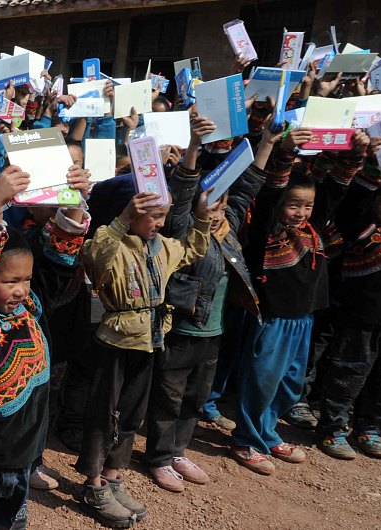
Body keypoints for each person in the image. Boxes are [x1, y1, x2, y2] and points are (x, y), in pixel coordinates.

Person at [0, 166, 90, 530]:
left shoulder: (32, 307)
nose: (20, 289)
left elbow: (59, 262)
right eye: (9, 281)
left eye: (25, 280)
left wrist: (74, 200)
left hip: (25, 455)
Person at [74, 189, 214, 528]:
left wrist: (203, 217)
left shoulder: (163, 247)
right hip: (116, 342)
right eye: (153, 216)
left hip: (149, 342)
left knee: (132, 415)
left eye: (163, 217)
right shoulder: (113, 245)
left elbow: (194, 248)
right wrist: (121, 220)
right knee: (103, 412)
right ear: (131, 213)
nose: (160, 224)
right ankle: (93, 485)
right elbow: (94, 255)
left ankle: (112, 477)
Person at [227, 128, 362, 475]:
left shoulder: (312, 228)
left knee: (289, 383)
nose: (301, 212)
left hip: (303, 320)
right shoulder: (268, 231)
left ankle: (269, 433)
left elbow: (335, 191)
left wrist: (356, 153)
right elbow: (271, 192)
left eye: (307, 205)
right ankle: (246, 439)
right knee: (262, 381)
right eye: (294, 204)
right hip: (273, 320)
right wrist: (284, 152)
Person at [145, 115, 265, 492]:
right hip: (181, 329)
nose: (211, 216)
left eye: (218, 209)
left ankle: (179, 450)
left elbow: (247, 186)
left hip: (213, 332)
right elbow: (181, 193)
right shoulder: (182, 229)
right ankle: (160, 457)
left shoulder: (228, 227)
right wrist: (195, 148)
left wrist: (268, 144)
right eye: (205, 209)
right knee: (169, 394)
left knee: (196, 396)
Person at [317, 169, 381, 459]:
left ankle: (370, 429)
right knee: (347, 375)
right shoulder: (362, 229)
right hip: (359, 320)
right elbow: (351, 206)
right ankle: (332, 428)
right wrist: (372, 166)